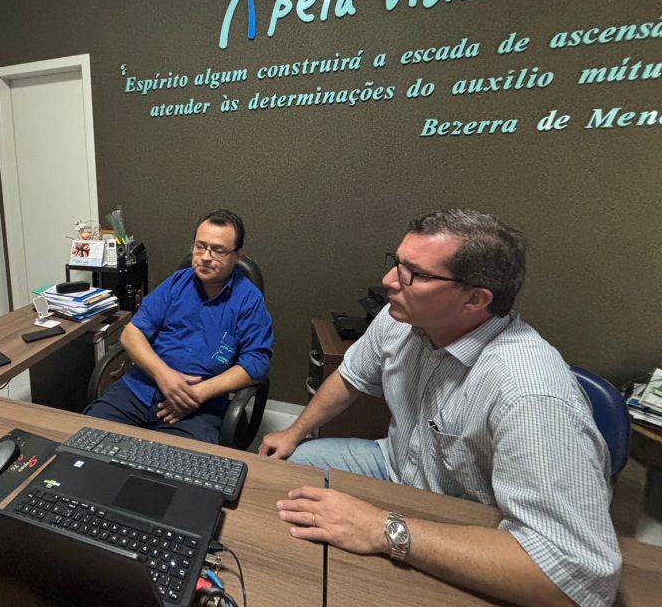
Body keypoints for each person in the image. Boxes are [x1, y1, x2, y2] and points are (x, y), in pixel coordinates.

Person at [259, 209, 620, 607]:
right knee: (289, 471)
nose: (389, 281)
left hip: (473, 511)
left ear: (476, 299)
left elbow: (576, 577)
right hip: (395, 464)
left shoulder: (530, 392)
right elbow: (351, 377)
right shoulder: (399, 319)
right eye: (395, 263)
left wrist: (382, 528)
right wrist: (293, 432)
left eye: (414, 274)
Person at [84, 209, 273, 444]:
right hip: (142, 388)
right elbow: (132, 334)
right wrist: (165, 376)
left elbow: (255, 364)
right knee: (88, 441)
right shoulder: (176, 283)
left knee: (173, 470)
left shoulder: (249, 300)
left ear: (237, 256)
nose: (205, 256)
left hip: (201, 406)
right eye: (200, 246)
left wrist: (195, 394)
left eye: (218, 250)